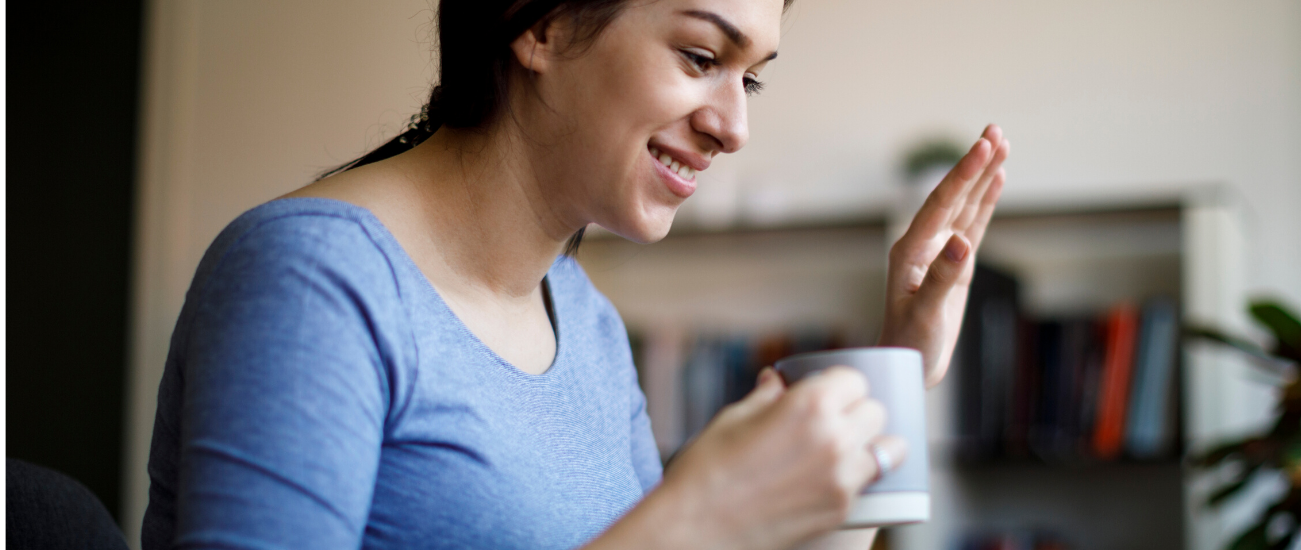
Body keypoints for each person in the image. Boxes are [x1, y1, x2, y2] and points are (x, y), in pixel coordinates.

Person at [140, 0, 1010, 548]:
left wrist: (897, 374)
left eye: (754, 79)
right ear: (543, 23)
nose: (735, 126)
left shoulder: (583, 322)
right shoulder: (313, 280)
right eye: (703, 58)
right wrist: (690, 522)